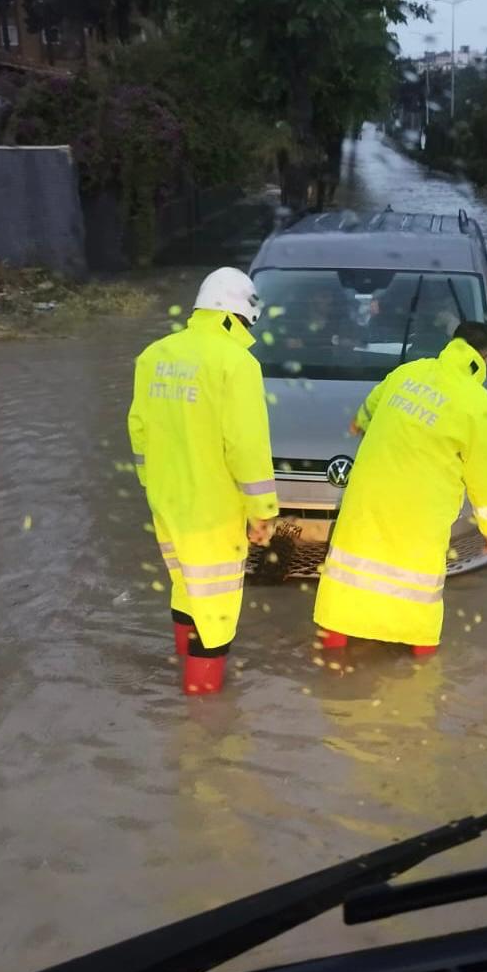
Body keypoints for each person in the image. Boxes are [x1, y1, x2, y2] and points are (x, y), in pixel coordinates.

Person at [313, 322, 487, 658]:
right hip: (421, 509)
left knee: (348, 577)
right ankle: (420, 674)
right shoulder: (477, 402)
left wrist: (361, 420)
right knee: (416, 590)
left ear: (452, 344)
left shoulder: (409, 371)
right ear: (485, 358)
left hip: (369, 496)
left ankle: (332, 650)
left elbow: (374, 401)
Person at [127, 267, 279, 695]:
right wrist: (263, 513)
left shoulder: (154, 355)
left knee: (185, 586)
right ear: (235, 315)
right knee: (215, 609)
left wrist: (150, 483)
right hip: (213, 511)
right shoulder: (237, 364)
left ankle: (183, 671)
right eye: (249, 321)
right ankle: (202, 712)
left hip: (166, 503)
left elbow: (138, 428)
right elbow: (246, 447)